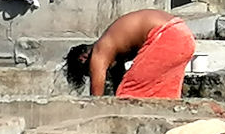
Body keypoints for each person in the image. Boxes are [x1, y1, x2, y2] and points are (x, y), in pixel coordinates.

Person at [64, 9, 196, 99]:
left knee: (130, 95)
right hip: (183, 33)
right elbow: (118, 85)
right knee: (163, 95)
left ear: (83, 58)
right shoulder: (115, 50)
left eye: (90, 72)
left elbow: (96, 98)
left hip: (166, 35)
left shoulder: (100, 51)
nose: (97, 72)